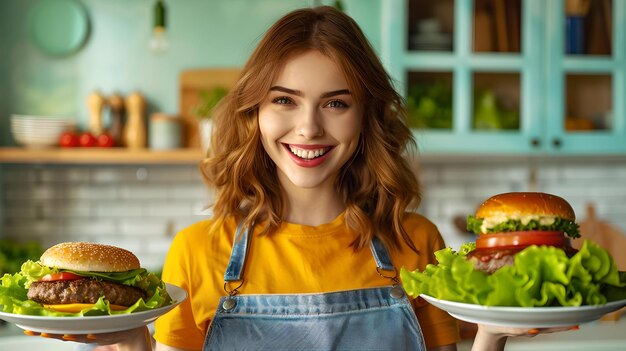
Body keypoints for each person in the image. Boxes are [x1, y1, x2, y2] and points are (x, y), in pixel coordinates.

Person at [27, 6, 574, 351]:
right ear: (254, 114)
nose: (308, 127)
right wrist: (132, 348)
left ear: (366, 117)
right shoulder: (198, 251)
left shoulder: (415, 243)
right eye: (284, 101)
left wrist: (494, 335)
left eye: (336, 103)